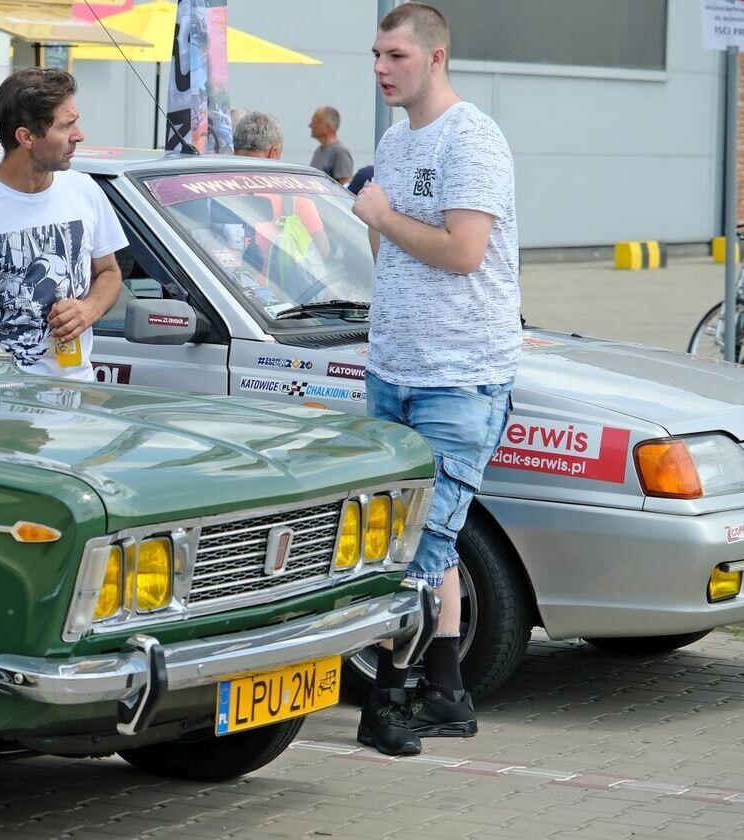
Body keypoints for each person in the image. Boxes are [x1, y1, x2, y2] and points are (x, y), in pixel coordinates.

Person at [351, 2, 519, 757]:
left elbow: (463, 251)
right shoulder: (394, 141)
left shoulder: (472, 138)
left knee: (419, 543)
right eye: (376, 55)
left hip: (460, 376)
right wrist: (378, 224)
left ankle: (388, 700)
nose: (381, 69)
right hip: (393, 368)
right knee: (422, 539)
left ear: (435, 57)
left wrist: (382, 216)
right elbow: (388, 254)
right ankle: (447, 693)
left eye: (396, 56)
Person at [0, 68, 126, 381]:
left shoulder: (85, 190)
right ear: (26, 137)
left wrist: (90, 309)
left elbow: (109, 272)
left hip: (76, 394)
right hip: (0, 400)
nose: (79, 135)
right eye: (66, 125)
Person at [231, 112, 331, 288]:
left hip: (219, 294)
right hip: (279, 298)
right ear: (274, 152)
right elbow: (322, 250)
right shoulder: (294, 197)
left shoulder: (211, 189)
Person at [308, 106, 354, 186]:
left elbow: (346, 186)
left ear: (328, 126)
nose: (310, 125)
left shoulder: (340, 152)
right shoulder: (318, 151)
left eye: (315, 122)